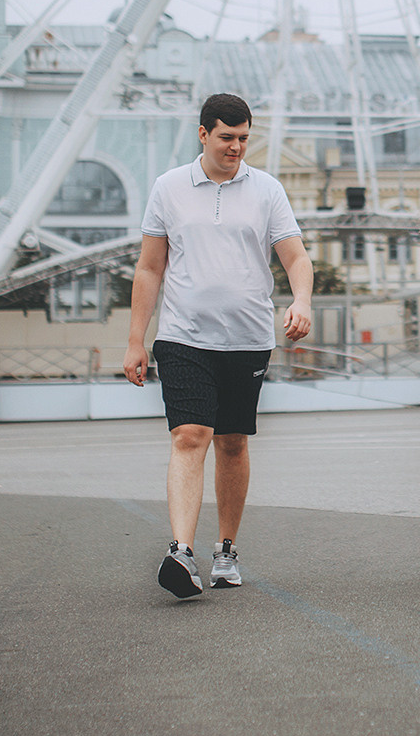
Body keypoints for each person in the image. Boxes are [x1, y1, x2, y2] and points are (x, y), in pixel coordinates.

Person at [126, 93, 313, 599]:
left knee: (232, 442)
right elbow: (149, 268)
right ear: (203, 134)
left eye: (244, 138)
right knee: (190, 434)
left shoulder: (267, 190)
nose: (236, 147)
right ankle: (181, 552)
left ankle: (225, 549)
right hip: (183, 335)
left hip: (248, 339)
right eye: (227, 137)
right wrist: (135, 341)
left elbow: (296, 257)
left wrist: (301, 301)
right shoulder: (168, 188)